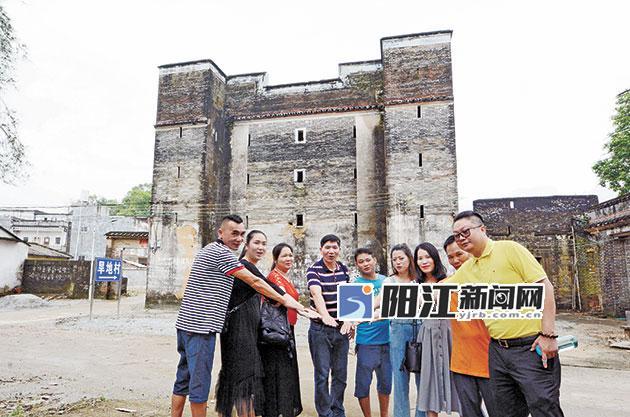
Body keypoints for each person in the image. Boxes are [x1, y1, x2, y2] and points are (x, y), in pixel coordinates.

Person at [171, 216, 317, 417]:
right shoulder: (222, 254)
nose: (238, 238)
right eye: (234, 233)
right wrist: (291, 303)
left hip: (186, 324)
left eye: (241, 234)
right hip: (201, 328)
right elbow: (255, 282)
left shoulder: (210, 249)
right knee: (199, 385)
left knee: (183, 379)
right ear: (220, 233)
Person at [449, 211, 564, 417]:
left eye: (465, 232)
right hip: (497, 351)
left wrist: (548, 335)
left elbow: (545, 286)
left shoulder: (509, 250)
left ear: (482, 229)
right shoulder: (468, 269)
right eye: (457, 235)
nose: (461, 238)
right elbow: (437, 292)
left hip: (530, 347)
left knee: (544, 408)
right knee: (506, 412)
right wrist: (384, 302)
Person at [215, 230, 282, 417]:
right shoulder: (245, 266)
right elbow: (271, 289)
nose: (260, 247)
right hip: (239, 329)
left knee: (234, 376)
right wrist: (288, 301)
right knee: (244, 378)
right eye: (256, 243)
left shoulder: (248, 267)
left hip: (245, 329)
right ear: (246, 245)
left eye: (264, 244)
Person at [444, 235, 498, 417]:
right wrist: (370, 308)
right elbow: (412, 298)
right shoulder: (446, 286)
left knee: (499, 412)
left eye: (459, 254)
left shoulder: (491, 281)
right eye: (450, 257)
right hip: (461, 364)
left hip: (492, 362)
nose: (455, 260)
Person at [307, 234, 352, 417]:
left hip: (341, 330)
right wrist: (325, 316)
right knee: (322, 374)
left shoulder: (344, 270)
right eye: (327, 247)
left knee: (340, 375)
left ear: (339, 249)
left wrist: (348, 320)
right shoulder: (314, 270)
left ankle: (337, 410)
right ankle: (325, 413)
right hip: (320, 329)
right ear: (321, 250)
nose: (331, 251)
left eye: (334, 247)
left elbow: (349, 296)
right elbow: (316, 294)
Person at [414, 242, 460, 417]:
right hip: (428, 335)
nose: (424, 261)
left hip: (451, 333)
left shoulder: (449, 279)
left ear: (435, 258)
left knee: (460, 382)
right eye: (420, 258)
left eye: (427, 257)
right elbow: (392, 304)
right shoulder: (415, 285)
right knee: (429, 384)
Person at [260, 243, 303, 417]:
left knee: (286, 372)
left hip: (287, 329)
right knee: (279, 374)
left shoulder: (285, 277)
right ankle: (277, 411)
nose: (289, 258)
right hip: (277, 332)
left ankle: (283, 410)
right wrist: (306, 311)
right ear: (275, 259)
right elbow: (282, 300)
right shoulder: (275, 277)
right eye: (284, 256)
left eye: (290, 255)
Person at [385, 244, 426, 417]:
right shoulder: (389, 281)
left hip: (421, 328)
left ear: (409, 258)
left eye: (401, 258)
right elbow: (381, 303)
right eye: (394, 259)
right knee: (400, 377)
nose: (398, 262)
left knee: (423, 379)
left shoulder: (421, 280)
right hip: (398, 330)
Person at [352, 248, 391, 417]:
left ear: (374, 260)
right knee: (363, 385)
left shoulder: (386, 281)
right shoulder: (355, 285)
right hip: (366, 342)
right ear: (357, 265)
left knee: (386, 384)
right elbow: (354, 314)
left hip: (387, 340)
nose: (365, 264)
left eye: (368, 260)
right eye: (361, 261)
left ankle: (384, 414)